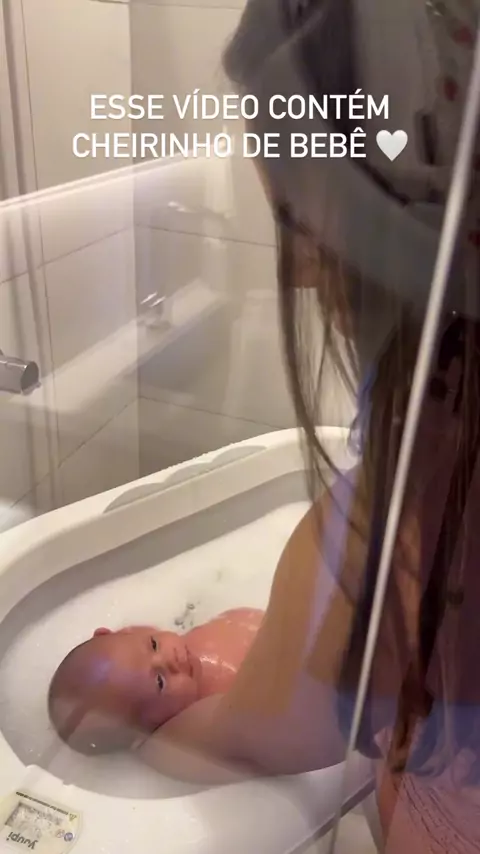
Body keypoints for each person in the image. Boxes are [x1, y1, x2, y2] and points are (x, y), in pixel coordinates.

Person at [57, 1, 480, 850]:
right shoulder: (405, 485)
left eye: (298, 224)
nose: (295, 280)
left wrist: (146, 739)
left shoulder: (402, 523)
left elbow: (270, 731)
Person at [48, 610, 264, 754]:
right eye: (160, 682)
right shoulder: (208, 719)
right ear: (149, 731)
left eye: (153, 645)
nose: (169, 659)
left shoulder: (145, 636)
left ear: (128, 631)